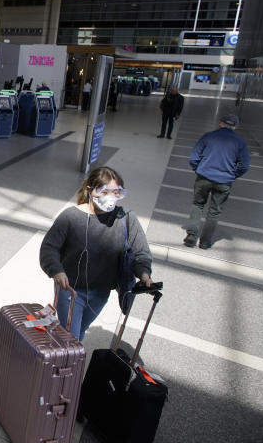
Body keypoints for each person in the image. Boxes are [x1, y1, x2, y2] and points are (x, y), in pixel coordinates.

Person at [40, 166, 155, 341]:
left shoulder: (126, 218)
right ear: (90, 190)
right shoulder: (71, 217)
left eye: (116, 192)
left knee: (79, 333)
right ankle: (65, 365)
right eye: (104, 191)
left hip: (100, 292)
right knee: (71, 339)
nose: (110, 197)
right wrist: (57, 270)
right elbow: (49, 247)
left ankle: (67, 364)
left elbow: (141, 251)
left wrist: (144, 274)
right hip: (70, 290)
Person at [183, 114, 250, 249]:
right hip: (224, 181)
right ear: (236, 127)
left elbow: (193, 157)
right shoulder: (241, 143)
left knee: (198, 205)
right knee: (214, 211)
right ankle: (205, 242)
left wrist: (198, 169)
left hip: (204, 176)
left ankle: (191, 236)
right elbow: (244, 166)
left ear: (220, 123)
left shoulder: (208, 136)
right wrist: (231, 175)